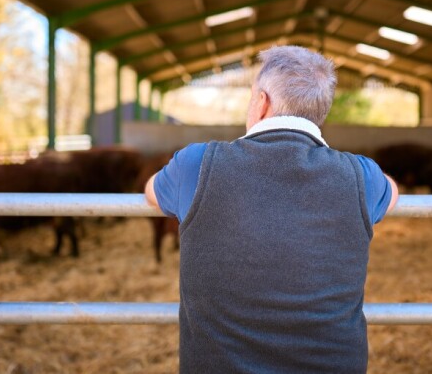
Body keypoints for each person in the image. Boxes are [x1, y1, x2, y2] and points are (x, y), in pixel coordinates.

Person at [144, 45, 399, 373]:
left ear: (261, 102)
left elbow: (152, 191)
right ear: (319, 112)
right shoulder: (362, 176)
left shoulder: (196, 163)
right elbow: (392, 191)